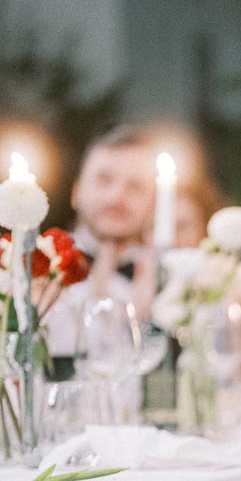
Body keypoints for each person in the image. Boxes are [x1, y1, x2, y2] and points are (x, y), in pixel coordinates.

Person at [46, 125, 158, 356]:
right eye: (104, 180)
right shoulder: (38, 269)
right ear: (76, 193)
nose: (117, 196)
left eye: (134, 186)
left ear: (153, 204)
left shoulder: (167, 278)